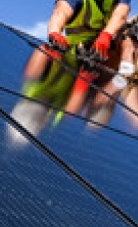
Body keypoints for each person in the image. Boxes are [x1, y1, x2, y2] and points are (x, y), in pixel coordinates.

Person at [7, 0, 130, 146]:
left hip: (85, 53)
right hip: (88, 60)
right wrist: (55, 31)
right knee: (104, 86)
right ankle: (117, 85)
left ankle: (123, 74)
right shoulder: (59, 111)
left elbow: (120, 14)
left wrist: (106, 35)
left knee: (136, 29)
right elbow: (62, 11)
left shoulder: (33, 88)